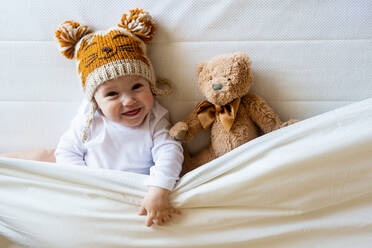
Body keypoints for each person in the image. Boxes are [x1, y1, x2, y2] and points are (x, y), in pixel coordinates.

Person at [54, 9, 183, 227]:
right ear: (95, 101)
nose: (129, 100)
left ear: (150, 85)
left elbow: (170, 151)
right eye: (112, 94)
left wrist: (159, 189)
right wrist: (87, 183)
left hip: (141, 195)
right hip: (97, 193)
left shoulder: (155, 118)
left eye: (137, 86)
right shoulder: (89, 119)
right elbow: (66, 152)